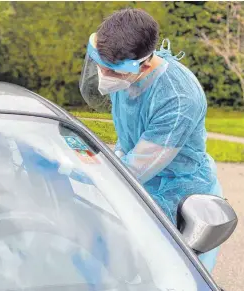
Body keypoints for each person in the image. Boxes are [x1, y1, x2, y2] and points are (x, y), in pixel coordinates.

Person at [79, 8, 222, 273]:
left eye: (109, 71)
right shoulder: (128, 80)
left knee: (165, 274)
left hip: (178, 196)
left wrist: (84, 175)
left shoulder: (177, 99)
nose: (101, 74)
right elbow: (127, 140)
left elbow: (135, 169)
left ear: (144, 65)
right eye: (98, 65)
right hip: (140, 177)